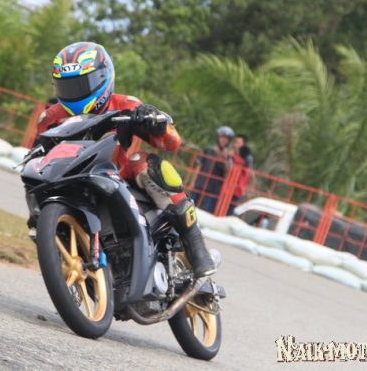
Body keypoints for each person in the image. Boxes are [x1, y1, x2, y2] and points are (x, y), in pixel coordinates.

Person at [37, 41, 216, 277]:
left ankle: (195, 245)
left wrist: (155, 122)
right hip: (71, 178)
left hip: (116, 175)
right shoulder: (51, 117)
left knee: (144, 163)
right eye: (66, 86)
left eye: (81, 84)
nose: (74, 92)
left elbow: (171, 142)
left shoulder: (126, 105)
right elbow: (38, 157)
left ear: (104, 77)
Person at [191, 126, 234, 213]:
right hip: (200, 183)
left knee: (205, 211)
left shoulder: (228, 156)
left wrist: (224, 159)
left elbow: (227, 173)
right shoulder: (208, 150)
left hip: (214, 188)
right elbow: (199, 165)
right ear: (218, 137)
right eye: (222, 137)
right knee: (190, 205)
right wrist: (193, 181)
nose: (224, 140)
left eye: (227, 139)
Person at [229, 134, 254, 215]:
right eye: (235, 142)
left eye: (238, 143)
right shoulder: (231, 155)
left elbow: (249, 174)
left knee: (229, 210)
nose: (235, 145)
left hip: (236, 189)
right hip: (228, 187)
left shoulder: (246, 159)